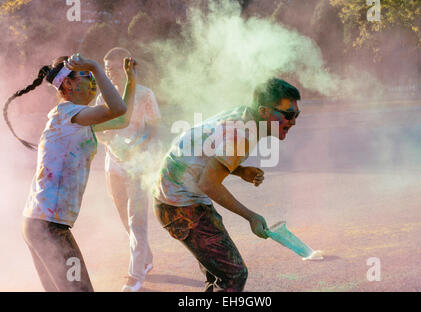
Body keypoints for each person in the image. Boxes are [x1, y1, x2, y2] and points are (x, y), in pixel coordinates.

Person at [3, 53, 138, 291]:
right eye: (87, 76)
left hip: (40, 223)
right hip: (47, 225)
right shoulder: (67, 113)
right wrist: (96, 66)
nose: (94, 82)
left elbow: (122, 118)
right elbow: (115, 109)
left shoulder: (78, 119)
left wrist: (131, 82)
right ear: (68, 83)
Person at [152, 78, 301, 292]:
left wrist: (239, 170)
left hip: (176, 197)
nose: (294, 121)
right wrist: (252, 216)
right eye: (288, 114)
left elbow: (206, 153)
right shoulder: (244, 135)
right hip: (180, 205)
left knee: (218, 275)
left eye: (297, 115)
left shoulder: (244, 115)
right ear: (264, 111)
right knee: (234, 276)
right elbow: (209, 184)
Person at [95, 47, 161, 292]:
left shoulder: (144, 94)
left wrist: (137, 146)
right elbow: (98, 129)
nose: (110, 73)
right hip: (112, 163)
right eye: (107, 69)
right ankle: (146, 258)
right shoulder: (103, 96)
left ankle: (135, 275)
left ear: (126, 68)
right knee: (124, 215)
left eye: (113, 68)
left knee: (137, 219)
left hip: (138, 164)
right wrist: (110, 142)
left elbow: (153, 127)